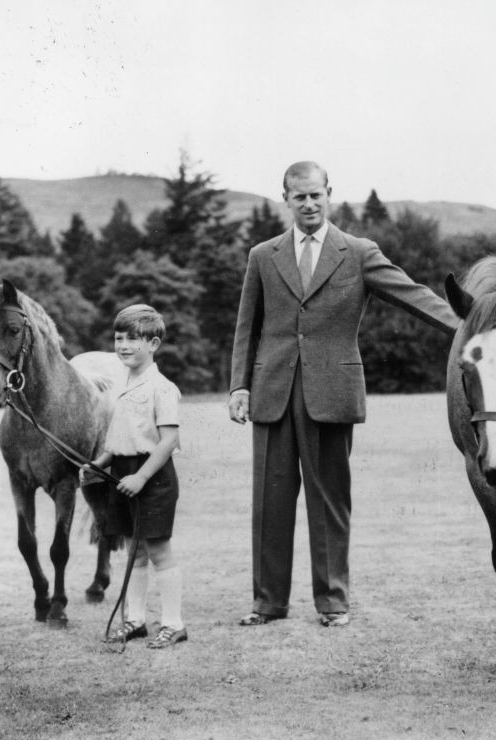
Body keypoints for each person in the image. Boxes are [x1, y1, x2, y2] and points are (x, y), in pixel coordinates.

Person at [228, 161, 460, 628]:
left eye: (317, 195)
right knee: (270, 502)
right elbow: (245, 327)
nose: (309, 204)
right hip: (272, 391)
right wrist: (239, 386)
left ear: (329, 194)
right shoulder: (262, 255)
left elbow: (413, 295)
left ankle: (333, 602)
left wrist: (472, 327)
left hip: (331, 393)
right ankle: (268, 603)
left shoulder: (357, 252)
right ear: (286, 199)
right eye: (300, 197)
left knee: (329, 499)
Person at [83, 304, 186, 649]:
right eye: (119, 338)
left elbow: (168, 440)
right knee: (135, 553)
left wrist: (141, 478)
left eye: (133, 339)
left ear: (154, 344)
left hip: (152, 477)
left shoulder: (163, 388)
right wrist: (99, 464)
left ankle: (174, 623)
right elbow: (120, 437)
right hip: (123, 474)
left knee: (158, 551)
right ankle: (135, 620)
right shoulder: (122, 386)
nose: (123, 345)